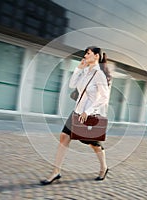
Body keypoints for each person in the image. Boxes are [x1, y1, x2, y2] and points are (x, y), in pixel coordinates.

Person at [40, 46, 111, 185]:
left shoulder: (99, 75)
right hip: (77, 112)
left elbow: (104, 97)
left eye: (88, 53)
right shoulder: (85, 71)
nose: (85, 56)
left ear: (96, 56)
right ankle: (56, 171)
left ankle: (104, 167)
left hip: (89, 115)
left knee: (94, 145)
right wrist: (78, 68)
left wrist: (88, 111)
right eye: (85, 53)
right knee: (64, 137)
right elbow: (72, 85)